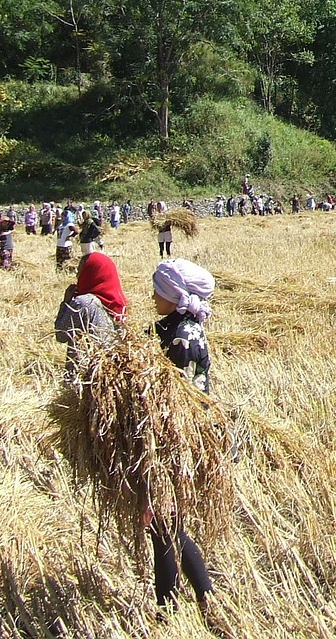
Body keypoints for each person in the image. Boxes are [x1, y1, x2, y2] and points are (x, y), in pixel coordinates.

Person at [149, 258, 216, 608]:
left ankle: (185, 600)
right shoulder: (173, 326)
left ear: (174, 294)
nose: (153, 296)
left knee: (165, 524)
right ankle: (183, 600)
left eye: (158, 291)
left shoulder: (182, 336)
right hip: (169, 438)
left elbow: (183, 397)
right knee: (164, 524)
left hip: (176, 441)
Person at [54, 251, 128, 379]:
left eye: (80, 271)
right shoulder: (118, 303)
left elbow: (61, 335)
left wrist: (66, 303)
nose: (77, 275)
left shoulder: (84, 302)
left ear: (89, 274)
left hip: (84, 378)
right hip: (110, 376)